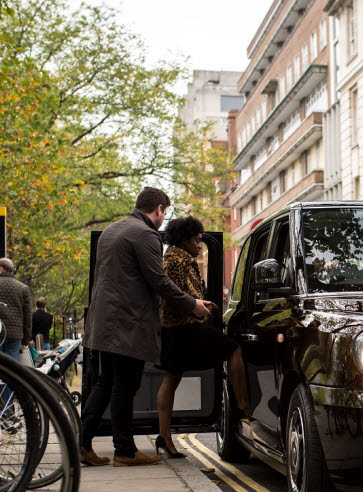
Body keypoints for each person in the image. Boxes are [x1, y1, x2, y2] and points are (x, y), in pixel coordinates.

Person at [81, 187, 214, 467]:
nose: (163, 219)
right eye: (164, 212)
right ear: (158, 210)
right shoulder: (146, 235)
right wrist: (192, 304)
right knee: (125, 385)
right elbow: (159, 281)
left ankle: (82, 443)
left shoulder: (112, 230)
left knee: (105, 382)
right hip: (127, 323)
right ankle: (125, 451)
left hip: (102, 319)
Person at [154, 216, 249, 458]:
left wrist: (198, 302)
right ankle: (242, 406)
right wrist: (195, 307)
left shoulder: (176, 257)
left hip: (174, 327)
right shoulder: (177, 260)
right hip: (184, 326)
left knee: (172, 378)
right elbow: (172, 296)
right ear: (184, 238)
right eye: (196, 240)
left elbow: (181, 293)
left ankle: (164, 437)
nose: (199, 245)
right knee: (233, 349)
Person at [0, 257, 33, 362]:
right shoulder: (23, 288)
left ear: (1, 269)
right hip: (15, 334)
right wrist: (26, 339)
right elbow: (28, 315)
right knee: (10, 366)